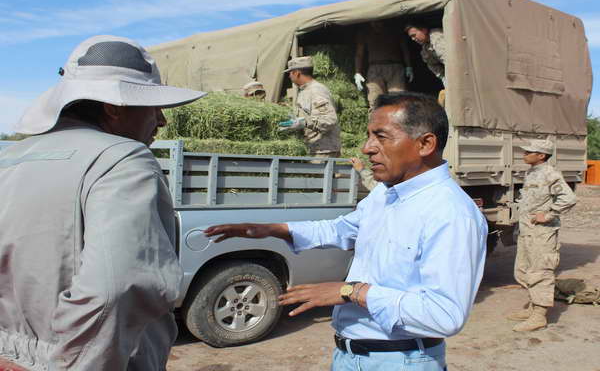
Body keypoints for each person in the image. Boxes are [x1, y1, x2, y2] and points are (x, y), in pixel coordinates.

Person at [206, 92, 488, 371]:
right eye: (369, 136)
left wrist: (351, 291)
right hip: (351, 356)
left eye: (381, 137)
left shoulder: (451, 213)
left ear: (425, 144)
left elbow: (444, 315)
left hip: (402, 360)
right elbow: (341, 229)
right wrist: (276, 229)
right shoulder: (385, 194)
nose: (367, 148)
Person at [0, 35, 207, 370]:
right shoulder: (123, 160)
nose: (161, 120)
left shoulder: (11, 158)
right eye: (153, 108)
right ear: (114, 108)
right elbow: (115, 290)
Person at [508, 139, 576, 332]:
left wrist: (548, 215)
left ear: (541, 155)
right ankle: (533, 307)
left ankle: (539, 316)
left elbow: (569, 198)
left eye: (529, 152)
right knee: (523, 270)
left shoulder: (550, 174)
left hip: (542, 233)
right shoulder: (531, 172)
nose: (524, 154)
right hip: (527, 231)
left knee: (540, 271)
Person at [279, 56, 341, 158]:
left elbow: (330, 120)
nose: (289, 76)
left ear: (297, 73)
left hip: (323, 150)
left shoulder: (316, 91)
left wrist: (304, 122)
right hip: (314, 148)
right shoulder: (305, 90)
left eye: (290, 73)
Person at [354, 21, 413, 111]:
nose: (376, 24)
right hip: (374, 69)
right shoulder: (364, 32)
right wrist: (358, 73)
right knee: (375, 101)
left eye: (378, 21)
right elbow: (359, 54)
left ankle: (399, 119)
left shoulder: (394, 30)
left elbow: (405, 49)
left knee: (398, 101)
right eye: (373, 22)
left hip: (395, 67)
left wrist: (409, 66)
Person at [405, 23, 447, 105]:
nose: (413, 39)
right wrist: (444, 78)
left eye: (414, 35)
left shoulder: (437, 37)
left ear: (424, 30)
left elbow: (449, 59)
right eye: (411, 37)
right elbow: (432, 65)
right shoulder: (425, 47)